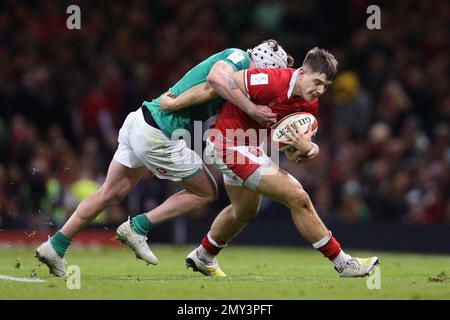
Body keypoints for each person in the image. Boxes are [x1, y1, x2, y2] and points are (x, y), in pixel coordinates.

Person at [35, 40, 293, 277]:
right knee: (206, 192)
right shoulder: (239, 58)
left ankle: (55, 246)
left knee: (109, 194)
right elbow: (214, 80)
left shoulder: (237, 83)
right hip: (159, 133)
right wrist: (250, 109)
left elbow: (207, 90)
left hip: (140, 120)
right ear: (265, 66)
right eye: (271, 75)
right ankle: (138, 227)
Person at [180, 47, 379, 277]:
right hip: (227, 143)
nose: (320, 91)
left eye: (325, 86)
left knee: (244, 211)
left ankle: (204, 255)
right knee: (298, 197)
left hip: (249, 148)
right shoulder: (272, 80)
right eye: (317, 82)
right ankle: (343, 263)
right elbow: (224, 80)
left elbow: (293, 154)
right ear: (302, 72)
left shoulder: (308, 104)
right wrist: (251, 108)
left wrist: (309, 148)